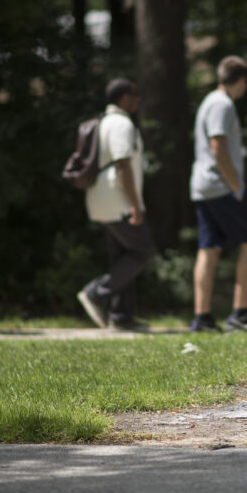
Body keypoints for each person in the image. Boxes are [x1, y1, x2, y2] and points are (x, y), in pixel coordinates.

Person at [189, 55, 247, 332]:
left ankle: (203, 317)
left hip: (203, 187)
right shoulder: (222, 104)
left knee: (209, 248)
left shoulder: (209, 100)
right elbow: (218, 148)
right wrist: (238, 188)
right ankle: (240, 313)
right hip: (222, 187)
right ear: (241, 81)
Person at [76, 78, 153, 331]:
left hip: (101, 198)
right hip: (117, 200)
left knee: (122, 257)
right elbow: (122, 165)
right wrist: (135, 205)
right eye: (134, 95)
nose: (138, 100)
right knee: (141, 252)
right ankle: (96, 292)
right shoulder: (121, 124)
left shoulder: (103, 122)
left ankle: (121, 317)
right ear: (123, 98)